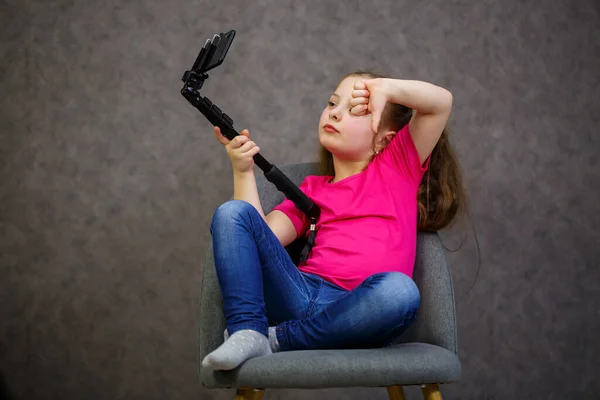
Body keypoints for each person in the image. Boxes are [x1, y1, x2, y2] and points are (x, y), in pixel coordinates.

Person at [201, 71, 468, 371]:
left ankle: (277, 339)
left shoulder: (398, 167)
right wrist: (242, 171)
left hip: (358, 311)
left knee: (400, 291)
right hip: (299, 294)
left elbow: (441, 103)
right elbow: (257, 239)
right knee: (231, 213)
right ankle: (247, 331)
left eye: (355, 110)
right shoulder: (311, 191)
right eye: (332, 103)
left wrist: (384, 88)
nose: (335, 114)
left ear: (385, 139)